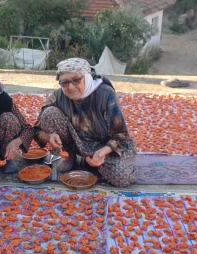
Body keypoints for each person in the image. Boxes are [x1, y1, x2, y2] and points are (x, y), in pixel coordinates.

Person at [33, 58, 137, 187]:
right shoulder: (58, 96)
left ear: (87, 77)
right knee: (49, 113)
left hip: (103, 146)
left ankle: (95, 162)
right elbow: (36, 130)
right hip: (76, 144)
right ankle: (68, 155)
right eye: (64, 82)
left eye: (76, 80)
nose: (70, 87)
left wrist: (102, 152)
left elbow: (121, 135)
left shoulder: (105, 94)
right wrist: (49, 137)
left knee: (121, 178)